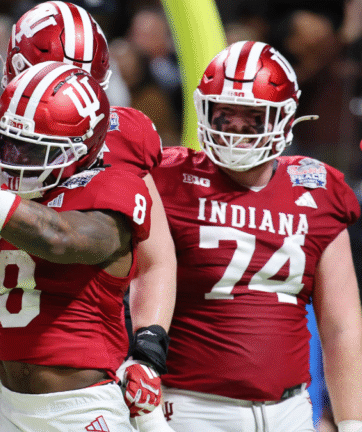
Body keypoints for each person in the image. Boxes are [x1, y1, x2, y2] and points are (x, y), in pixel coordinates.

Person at [0, 2, 176, 430]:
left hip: (75, 376)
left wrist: (148, 348)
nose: (61, 93)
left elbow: (153, 257)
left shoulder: (121, 139)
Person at [151, 40, 362, 431]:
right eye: (224, 113)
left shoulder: (318, 187)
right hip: (189, 406)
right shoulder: (167, 177)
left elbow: (342, 323)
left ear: (283, 118)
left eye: (252, 115)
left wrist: (351, 422)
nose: (234, 126)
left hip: (291, 409)